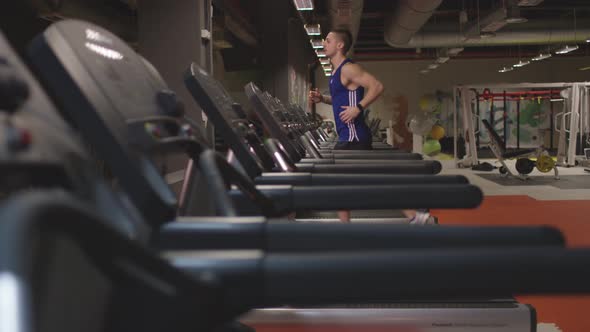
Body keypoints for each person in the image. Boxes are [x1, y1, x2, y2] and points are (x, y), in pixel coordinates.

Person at [308, 28, 435, 225]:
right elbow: (341, 101)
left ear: (340, 45)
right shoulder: (335, 72)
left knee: (347, 183)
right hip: (348, 136)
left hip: (354, 137)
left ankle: (415, 216)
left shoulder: (349, 68)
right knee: (353, 183)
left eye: (328, 40)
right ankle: (415, 216)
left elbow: (377, 86)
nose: (324, 43)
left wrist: (358, 108)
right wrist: (322, 98)